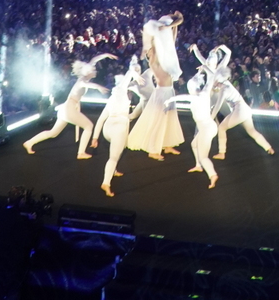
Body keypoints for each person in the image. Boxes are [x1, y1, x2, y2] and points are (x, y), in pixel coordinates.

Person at [23, 55, 115, 158]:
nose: (95, 70)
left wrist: (106, 55)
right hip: (68, 109)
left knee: (53, 133)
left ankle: (29, 143)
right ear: (88, 72)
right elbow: (86, 85)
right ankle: (81, 153)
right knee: (88, 126)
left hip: (66, 108)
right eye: (93, 70)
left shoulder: (84, 78)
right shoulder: (82, 81)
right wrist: (98, 87)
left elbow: (93, 60)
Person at [127, 13, 184, 160]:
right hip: (161, 94)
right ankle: (153, 150)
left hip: (169, 91)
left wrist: (173, 27)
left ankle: (167, 145)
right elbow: (162, 42)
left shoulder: (162, 59)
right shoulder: (154, 61)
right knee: (158, 121)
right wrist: (164, 30)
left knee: (170, 119)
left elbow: (171, 42)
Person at [91, 66, 141, 196]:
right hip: (118, 128)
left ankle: (113, 171)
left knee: (116, 152)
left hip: (107, 129)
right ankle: (106, 183)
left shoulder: (111, 100)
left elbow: (101, 120)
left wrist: (95, 138)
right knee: (113, 157)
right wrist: (135, 72)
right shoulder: (121, 92)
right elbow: (129, 73)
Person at [180, 65, 219, 189]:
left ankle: (212, 175)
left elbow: (185, 97)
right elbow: (210, 76)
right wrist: (203, 69)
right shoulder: (203, 92)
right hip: (207, 128)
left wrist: (171, 100)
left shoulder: (198, 96)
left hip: (207, 129)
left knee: (204, 156)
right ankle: (198, 165)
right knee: (194, 144)